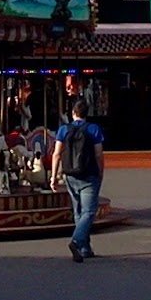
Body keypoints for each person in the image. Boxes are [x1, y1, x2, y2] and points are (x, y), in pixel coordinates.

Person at [49, 99, 104, 263]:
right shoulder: (94, 129)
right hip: (89, 174)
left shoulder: (63, 130)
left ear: (73, 113)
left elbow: (56, 154)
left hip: (70, 175)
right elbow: (99, 154)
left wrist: (53, 176)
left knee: (78, 211)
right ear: (87, 114)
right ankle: (76, 241)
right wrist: (101, 172)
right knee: (89, 211)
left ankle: (85, 248)